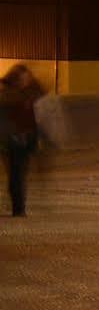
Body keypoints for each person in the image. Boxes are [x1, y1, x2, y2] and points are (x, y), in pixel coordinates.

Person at [2, 65, 45, 217]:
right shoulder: (8, 95)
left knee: (18, 173)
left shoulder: (32, 94)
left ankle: (19, 206)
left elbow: (40, 117)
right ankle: (18, 208)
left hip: (26, 139)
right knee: (16, 174)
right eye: (20, 78)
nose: (23, 80)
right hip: (13, 140)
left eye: (25, 77)